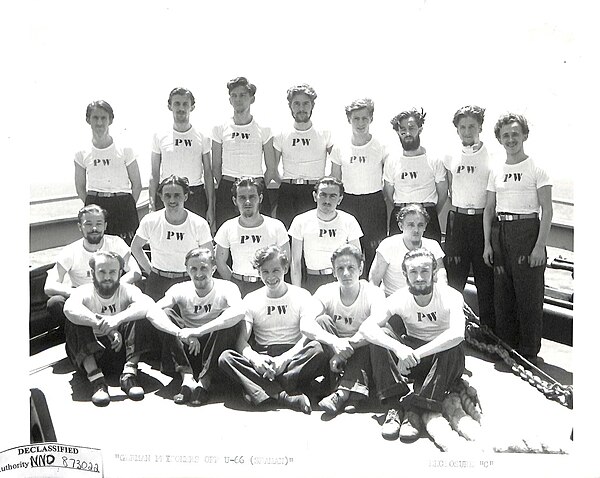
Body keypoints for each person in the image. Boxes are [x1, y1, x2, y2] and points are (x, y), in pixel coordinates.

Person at [360, 248, 465, 442]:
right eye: (413, 272)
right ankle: (394, 404)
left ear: (434, 272)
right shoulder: (400, 297)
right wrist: (398, 348)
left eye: (425, 271)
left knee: (453, 345)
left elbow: (457, 333)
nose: (419, 277)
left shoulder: (451, 296)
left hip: (441, 361)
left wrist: (416, 353)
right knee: (380, 335)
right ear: (405, 276)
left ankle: (417, 410)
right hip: (411, 358)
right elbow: (367, 328)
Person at [218, 245, 328, 414]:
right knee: (226, 358)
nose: (271, 277)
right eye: (265, 271)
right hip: (264, 355)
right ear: (258, 272)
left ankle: (262, 389)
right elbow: (241, 341)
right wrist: (255, 359)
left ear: (285, 268)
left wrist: (285, 359)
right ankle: (284, 395)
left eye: (276, 270)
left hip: (294, 355)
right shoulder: (252, 298)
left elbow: (306, 335)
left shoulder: (302, 295)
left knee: (318, 350)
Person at [63, 251, 182, 406]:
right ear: (93, 273)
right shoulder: (84, 291)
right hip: (89, 354)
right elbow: (69, 309)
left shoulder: (127, 290)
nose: (107, 277)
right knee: (74, 321)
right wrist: (106, 327)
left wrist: (116, 320)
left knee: (141, 313)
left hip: (120, 352)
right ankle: (97, 382)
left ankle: (129, 375)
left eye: (112, 272)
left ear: (120, 273)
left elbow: (147, 305)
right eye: (102, 272)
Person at [483, 113, 553, 361]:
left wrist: (539, 247)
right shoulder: (495, 170)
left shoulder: (537, 168)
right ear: (500, 140)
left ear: (524, 135)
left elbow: (547, 210)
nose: (511, 139)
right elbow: (489, 209)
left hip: (527, 231)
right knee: (503, 294)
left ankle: (528, 352)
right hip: (501, 232)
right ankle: (506, 348)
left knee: (528, 295)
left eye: (515, 134)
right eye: (505, 135)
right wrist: (487, 245)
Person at [301, 244, 386, 415]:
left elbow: (379, 324)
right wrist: (335, 343)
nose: (346, 273)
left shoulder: (373, 293)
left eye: (351, 267)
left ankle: (341, 393)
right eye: (340, 268)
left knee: (370, 332)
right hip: (334, 353)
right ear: (333, 271)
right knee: (322, 320)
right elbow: (305, 323)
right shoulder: (326, 291)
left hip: (362, 353)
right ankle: (353, 394)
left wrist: (342, 351)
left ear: (361, 268)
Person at [154, 247, 245, 406]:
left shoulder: (227, 287)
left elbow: (239, 312)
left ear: (214, 268)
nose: (198, 273)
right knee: (166, 314)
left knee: (229, 316)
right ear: (187, 270)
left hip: (214, 346)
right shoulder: (180, 288)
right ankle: (187, 379)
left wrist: (198, 331)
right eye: (193, 268)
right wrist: (181, 333)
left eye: (204, 268)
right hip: (187, 348)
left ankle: (204, 382)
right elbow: (153, 311)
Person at [44, 204, 141, 328]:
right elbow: (49, 286)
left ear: (105, 226)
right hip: (85, 302)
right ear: (80, 226)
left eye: (99, 223)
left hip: (114, 297)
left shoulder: (116, 243)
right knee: (55, 303)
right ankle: (81, 339)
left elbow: (136, 272)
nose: (94, 228)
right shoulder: (71, 251)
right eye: (88, 224)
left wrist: (115, 286)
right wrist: (78, 293)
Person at [443, 105, 495, 330]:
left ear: (480, 127)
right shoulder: (449, 156)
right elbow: (449, 188)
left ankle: (488, 331)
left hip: (483, 222)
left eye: (471, 126)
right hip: (458, 221)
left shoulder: (492, 156)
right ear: (456, 130)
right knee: (454, 280)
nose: (467, 131)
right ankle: (451, 331)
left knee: (486, 280)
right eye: (462, 127)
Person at [131, 175, 213, 301]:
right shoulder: (150, 221)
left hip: (187, 281)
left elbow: (209, 256)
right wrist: (151, 271)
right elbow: (136, 247)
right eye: (167, 195)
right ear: (161, 197)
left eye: (177, 195)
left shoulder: (198, 223)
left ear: (185, 196)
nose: (172, 200)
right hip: (158, 282)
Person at [331, 98, 389, 274]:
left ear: (371, 119)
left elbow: (388, 182)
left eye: (365, 118)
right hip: (348, 203)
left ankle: (372, 291)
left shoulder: (381, 146)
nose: (360, 123)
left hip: (374, 203)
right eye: (356, 118)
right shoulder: (340, 147)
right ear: (349, 119)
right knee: (349, 251)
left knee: (373, 250)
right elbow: (335, 180)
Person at [212, 77, 277, 228]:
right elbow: (216, 166)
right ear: (229, 100)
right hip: (227, 189)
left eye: (243, 95)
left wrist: (256, 187)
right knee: (227, 235)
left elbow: (271, 168)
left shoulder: (264, 129)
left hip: (255, 186)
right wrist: (230, 188)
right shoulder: (219, 129)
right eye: (234, 95)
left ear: (252, 99)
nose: (238, 99)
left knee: (260, 233)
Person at [74, 100, 142, 245]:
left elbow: (137, 184)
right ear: (88, 120)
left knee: (126, 249)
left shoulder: (125, 149)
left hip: (123, 204)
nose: (99, 122)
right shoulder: (82, 152)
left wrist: (127, 206)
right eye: (95, 118)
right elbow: (80, 187)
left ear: (110, 120)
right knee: (98, 249)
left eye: (103, 118)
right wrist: (93, 209)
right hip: (96, 204)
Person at [149, 87, 215, 231]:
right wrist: (152, 203)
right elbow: (154, 174)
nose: (181, 108)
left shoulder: (202, 137)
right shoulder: (159, 136)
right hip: (168, 194)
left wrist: (211, 207)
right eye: (177, 104)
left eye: (185, 104)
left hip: (194, 195)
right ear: (169, 106)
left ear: (192, 107)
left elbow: (208, 174)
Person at [214, 177, 290, 297]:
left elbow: (285, 261)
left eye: (252, 197)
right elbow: (219, 260)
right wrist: (235, 282)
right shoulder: (227, 227)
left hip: (268, 287)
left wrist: (271, 282)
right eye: (242, 197)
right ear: (235, 200)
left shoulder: (276, 226)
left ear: (260, 198)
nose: (247, 202)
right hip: (239, 287)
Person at [288, 177, 363, 293]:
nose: (327, 200)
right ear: (315, 196)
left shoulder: (349, 221)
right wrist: (297, 292)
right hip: (313, 280)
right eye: (323, 195)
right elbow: (295, 262)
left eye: (333, 196)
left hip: (340, 279)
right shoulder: (301, 221)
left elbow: (357, 258)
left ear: (340, 199)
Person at [274, 84, 333, 228]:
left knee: (312, 234)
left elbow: (338, 163)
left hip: (313, 190)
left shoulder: (324, 133)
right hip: (288, 191)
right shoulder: (281, 134)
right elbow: (272, 168)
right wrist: (286, 183)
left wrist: (325, 186)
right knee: (287, 235)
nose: (301, 108)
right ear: (290, 106)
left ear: (312, 105)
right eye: (297, 104)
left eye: (306, 103)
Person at [384, 108, 447, 240]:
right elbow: (389, 195)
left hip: (427, 215)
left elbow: (443, 194)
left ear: (420, 129)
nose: (407, 133)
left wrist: (428, 211)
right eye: (403, 129)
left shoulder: (434, 160)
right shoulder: (392, 160)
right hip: (400, 215)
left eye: (412, 128)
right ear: (398, 132)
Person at [370, 204, 446, 297]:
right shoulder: (388, 245)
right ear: (401, 226)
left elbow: (441, 276)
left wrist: (444, 293)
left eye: (420, 225)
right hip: (393, 301)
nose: (416, 230)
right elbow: (373, 281)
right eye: (411, 225)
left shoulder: (433, 246)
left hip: (424, 302)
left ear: (425, 226)